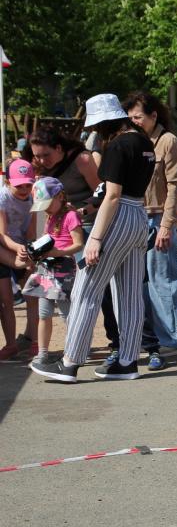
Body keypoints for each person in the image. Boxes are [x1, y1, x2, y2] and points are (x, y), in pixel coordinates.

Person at [30, 93, 155, 383]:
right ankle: (127, 361)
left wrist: (96, 238)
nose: (96, 131)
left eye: (98, 125)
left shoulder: (118, 145)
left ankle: (70, 362)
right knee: (130, 294)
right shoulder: (144, 142)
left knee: (85, 289)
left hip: (117, 216)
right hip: (139, 215)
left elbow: (112, 195)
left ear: (107, 121)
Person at [30, 126, 115, 357]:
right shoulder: (41, 166)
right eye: (37, 156)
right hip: (58, 225)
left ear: (59, 148)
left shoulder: (83, 160)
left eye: (45, 155)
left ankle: (113, 339)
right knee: (57, 301)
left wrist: (80, 212)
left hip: (86, 223)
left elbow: (103, 194)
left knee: (95, 287)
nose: (41, 160)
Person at [123, 91, 177, 369]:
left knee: (163, 281)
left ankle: (171, 339)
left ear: (153, 115)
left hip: (159, 217)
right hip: (135, 217)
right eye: (130, 117)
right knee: (137, 284)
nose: (134, 121)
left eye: (138, 116)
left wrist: (166, 225)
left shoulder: (168, 141)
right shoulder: (132, 141)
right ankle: (146, 337)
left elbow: (176, 186)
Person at [21, 177, 84, 362]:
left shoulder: (71, 216)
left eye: (47, 204)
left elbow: (79, 244)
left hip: (64, 270)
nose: (46, 209)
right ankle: (42, 353)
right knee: (43, 314)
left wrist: (59, 252)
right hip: (46, 269)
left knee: (67, 314)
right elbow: (46, 238)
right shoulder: (51, 216)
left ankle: (74, 350)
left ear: (60, 196)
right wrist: (36, 251)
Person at [0, 159, 37, 359]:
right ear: (8, 182)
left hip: (22, 248)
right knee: (6, 300)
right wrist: (18, 249)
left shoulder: (33, 198)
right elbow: (2, 234)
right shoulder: (2, 198)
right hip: (4, 248)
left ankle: (35, 341)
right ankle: (11, 344)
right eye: (19, 185)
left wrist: (31, 252)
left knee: (32, 296)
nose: (24, 189)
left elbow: (31, 232)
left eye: (28, 185)